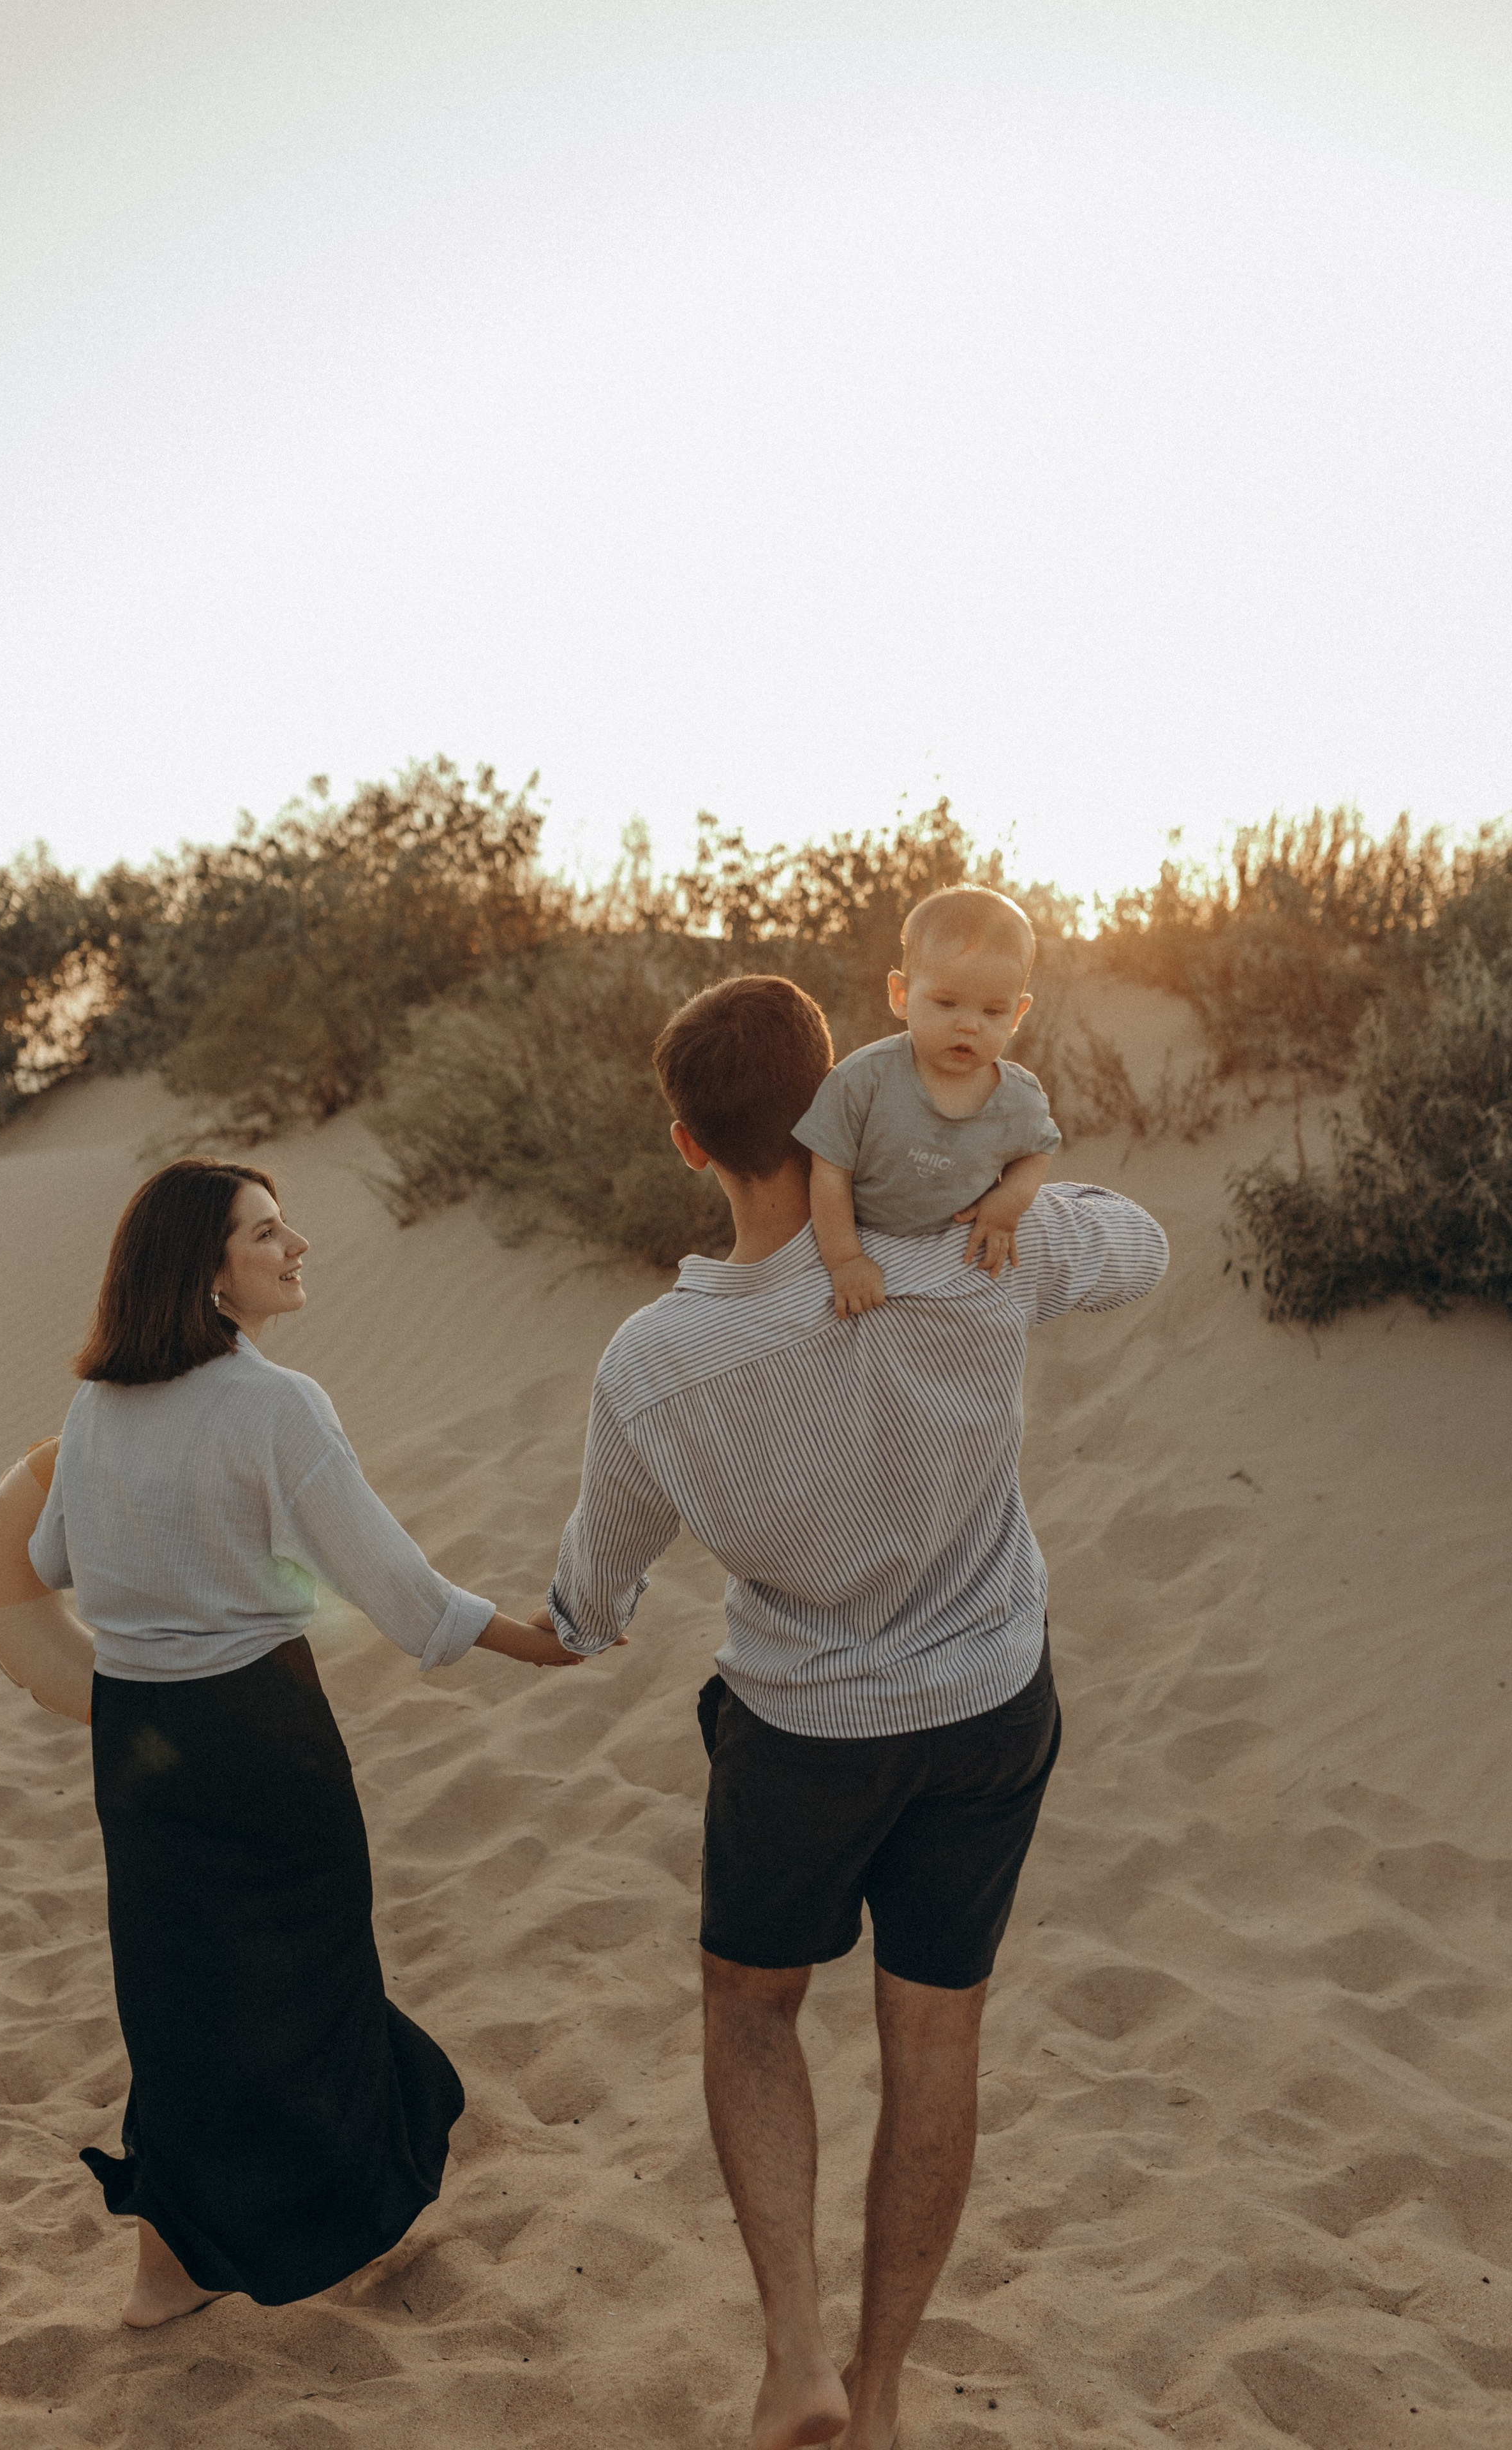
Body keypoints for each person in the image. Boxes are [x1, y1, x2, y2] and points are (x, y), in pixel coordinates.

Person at [535, 975, 1167, 2450]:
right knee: (932, 2036)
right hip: (987, 1702)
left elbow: (597, 1584)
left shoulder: (656, 1360)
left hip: (803, 1729)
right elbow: (1137, 1243)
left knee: (751, 2008)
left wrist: (558, 1630)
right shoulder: (973, 1252)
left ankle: (795, 2358)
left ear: (686, 1145)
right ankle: (878, 2398)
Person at [31, 1157, 582, 2329]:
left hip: (136, 1744)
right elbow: (395, 1586)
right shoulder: (276, 1406)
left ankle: (164, 2266)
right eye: (269, 1233)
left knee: (176, 1996)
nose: (298, 1248)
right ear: (209, 1273)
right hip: (257, 1733)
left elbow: (48, 1562)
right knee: (307, 1983)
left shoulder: (93, 1406)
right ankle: (318, 2216)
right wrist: (542, 1646)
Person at [792, 884, 1062, 1318]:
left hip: (955, 1249)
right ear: (902, 995)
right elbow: (828, 1173)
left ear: (1016, 1015)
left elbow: (1039, 1150)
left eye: (993, 1012)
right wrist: (844, 1259)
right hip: (860, 1241)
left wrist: (1007, 1203)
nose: (969, 1025)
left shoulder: (1019, 1100)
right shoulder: (864, 1079)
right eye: (946, 1002)